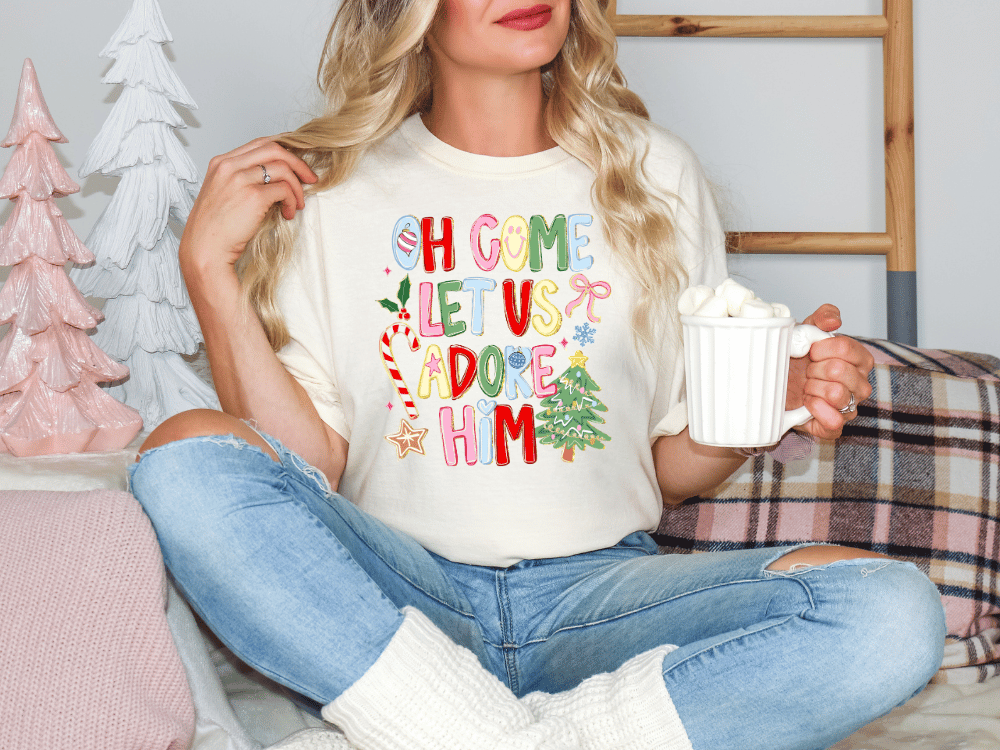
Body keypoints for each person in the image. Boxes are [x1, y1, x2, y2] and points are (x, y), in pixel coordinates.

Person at [130, 1, 945, 748]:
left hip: (601, 601)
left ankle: (466, 734)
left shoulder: (654, 175)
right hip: (404, 601)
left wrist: (770, 406)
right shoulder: (337, 192)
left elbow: (667, 472)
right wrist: (208, 270)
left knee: (892, 615)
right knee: (183, 453)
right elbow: (312, 467)